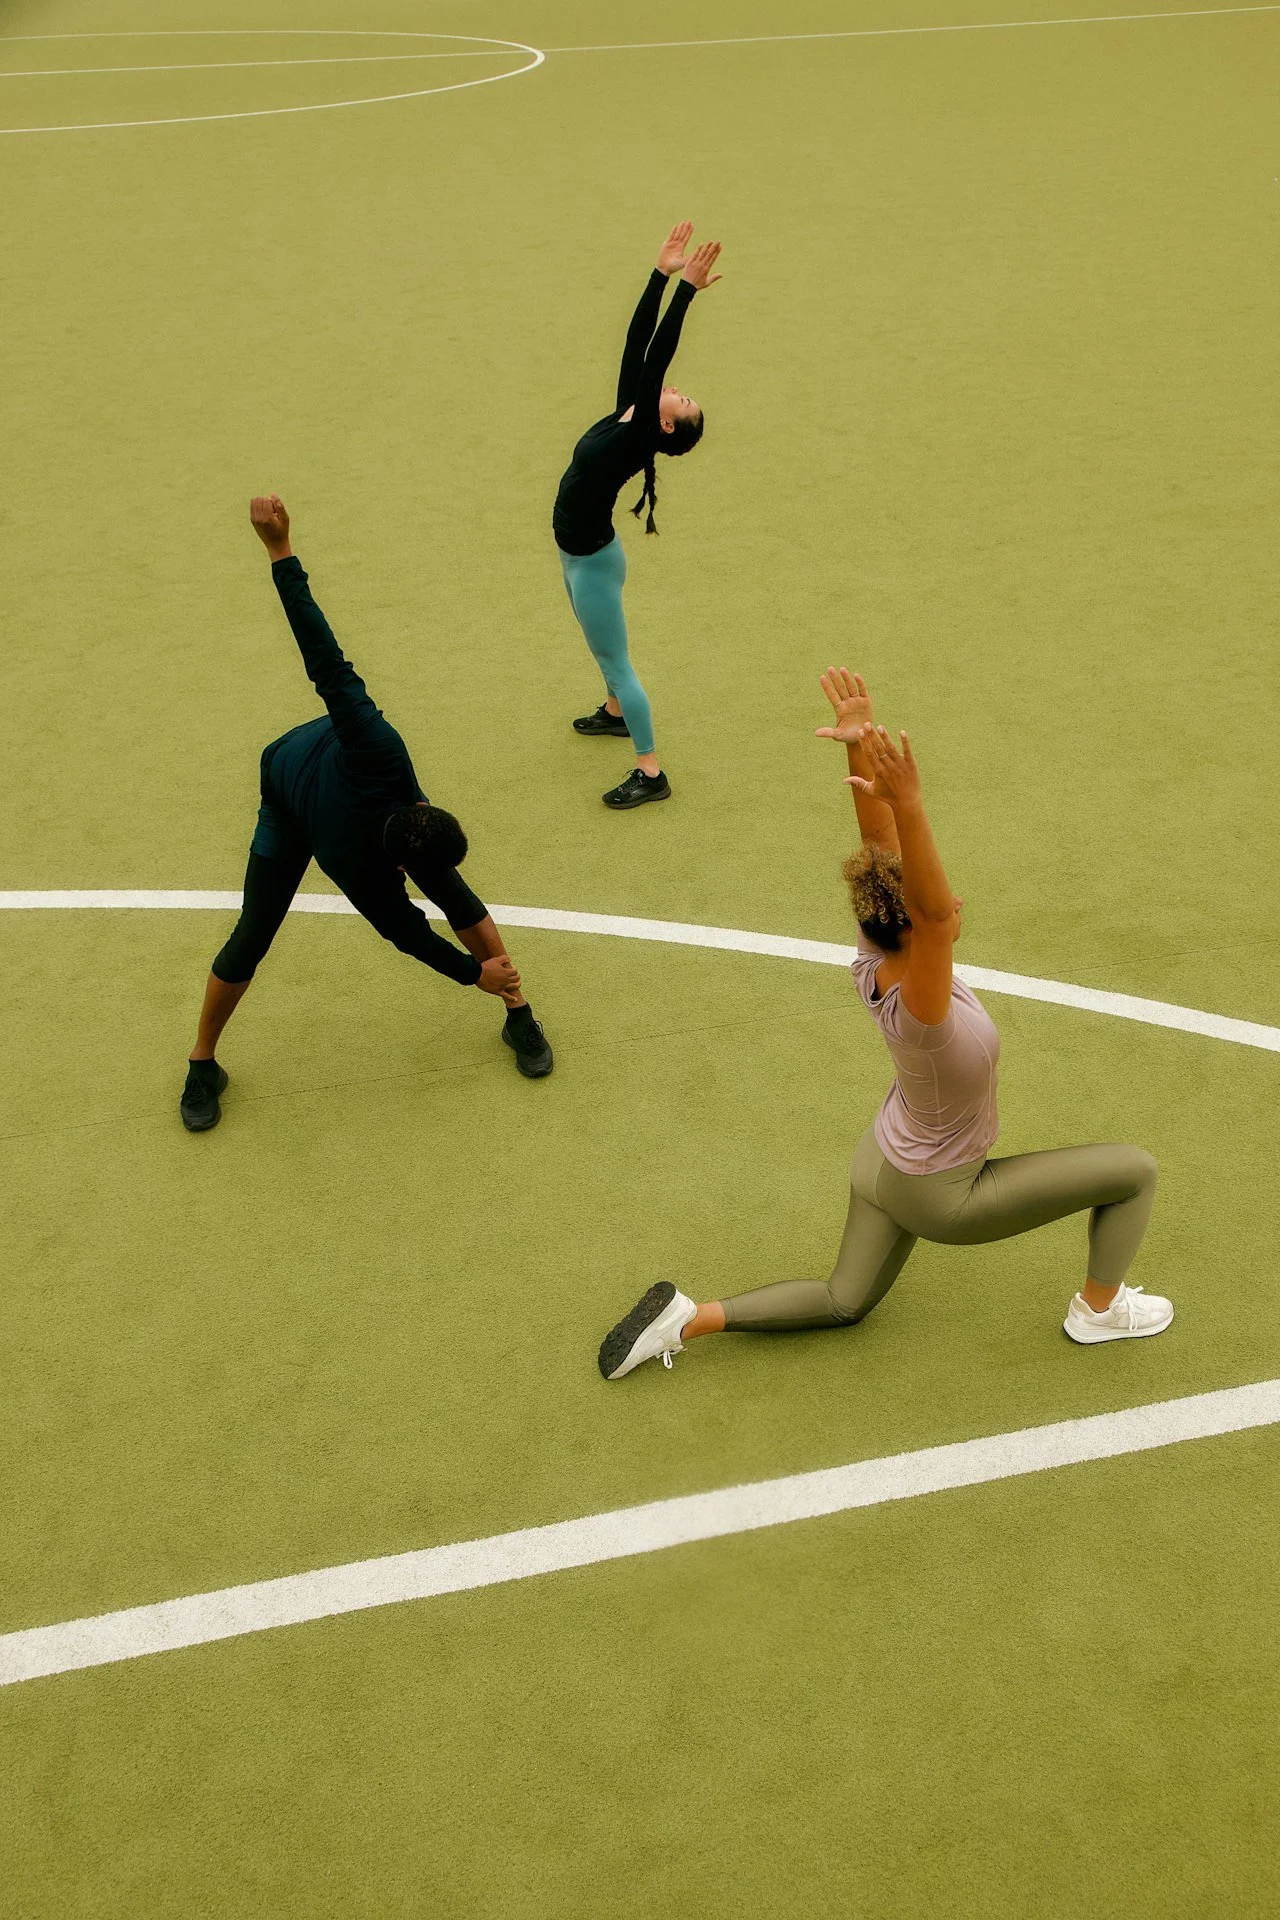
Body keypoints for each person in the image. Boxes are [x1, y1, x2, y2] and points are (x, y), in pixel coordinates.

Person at [598, 668, 1172, 1376]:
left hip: (881, 1161)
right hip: (942, 1196)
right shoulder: (926, 1009)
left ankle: (688, 1318)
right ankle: (1099, 1310)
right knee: (1134, 1172)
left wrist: (858, 746)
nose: (954, 898)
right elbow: (930, 908)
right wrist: (917, 805)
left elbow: (882, 862)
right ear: (926, 929)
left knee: (845, 1300)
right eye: (945, 903)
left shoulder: (876, 955)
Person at [179, 496, 553, 1132]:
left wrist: (281, 552)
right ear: (411, 836)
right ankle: (201, 1062)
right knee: (251, 937)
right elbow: (406, 933)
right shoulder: (358, 867)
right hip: (288, 796)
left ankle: (518, 1009)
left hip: (335, 762)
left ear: (423, 809)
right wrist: (470, 974)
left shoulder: (378, 746)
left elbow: (327, 660)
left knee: (459, 897)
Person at [554, 221, 722, 810]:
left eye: (684, 399)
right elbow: (637, 344)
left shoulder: (642, 433)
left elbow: (660, 351)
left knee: (618, 661)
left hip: (593, 563)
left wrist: (688, 290)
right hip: (575, 553)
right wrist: (659, 274)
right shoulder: (631, 410)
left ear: (669, 424)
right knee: (600, 650)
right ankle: (614, 712)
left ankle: (650, 773)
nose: (677, 388)